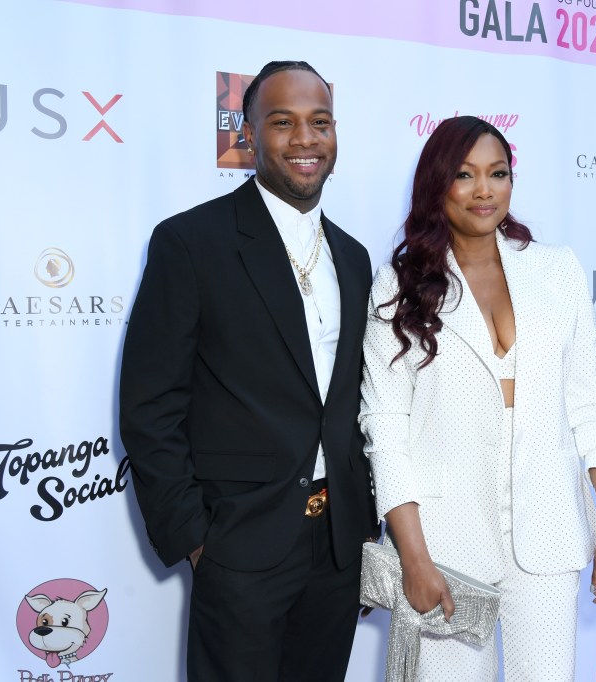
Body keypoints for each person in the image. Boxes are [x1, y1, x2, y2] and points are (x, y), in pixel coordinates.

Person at [120, 60, 377, 682]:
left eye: (319, 122)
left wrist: (365, 532)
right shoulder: (191, 242)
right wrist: (196, 537)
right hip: (241, 545)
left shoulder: (354, 256)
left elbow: (355, 406)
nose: (305, 139)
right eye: (283, 122)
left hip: (339, 548)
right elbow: (151, 404)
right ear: (248, 132)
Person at [359, 116, 596, 681]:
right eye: (465, 174)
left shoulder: (557, 271)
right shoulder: (399, 285)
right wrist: (413, 555)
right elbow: (384, 427)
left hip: (548, 536)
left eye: (498, 173)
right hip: (444, 543)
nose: (485, 190)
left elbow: (592, 407)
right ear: (438, 185)